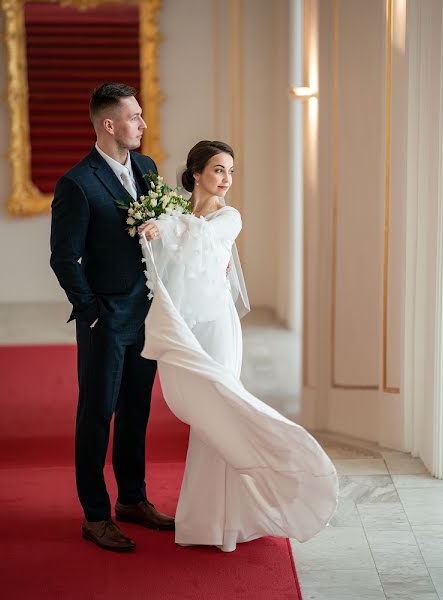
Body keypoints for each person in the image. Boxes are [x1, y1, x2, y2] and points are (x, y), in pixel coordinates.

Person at [139, 140, 338, 552]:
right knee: (204, 418)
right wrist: (155, 227)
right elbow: (165, 258)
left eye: (231, 171)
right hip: (186, 325)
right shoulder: (175, 213)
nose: (226, 179)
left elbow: (201, 242)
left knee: (222, 411)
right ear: (196, 173)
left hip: (218, 327)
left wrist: (167, 225)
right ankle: (208, 520)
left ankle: (227, 520)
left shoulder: (229, 217)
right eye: (217, 170)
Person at [50, 83, 175, 553]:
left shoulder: (147, 167)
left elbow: (161, 232)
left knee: (137, 411)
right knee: (97, 415)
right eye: (134, 117)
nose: (142, 124)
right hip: (106, 319)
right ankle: (96, 515)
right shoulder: (77, 183)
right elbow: (63, 258)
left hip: (148, 314)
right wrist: (92, 312)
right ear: (109, 124)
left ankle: (133, 499)